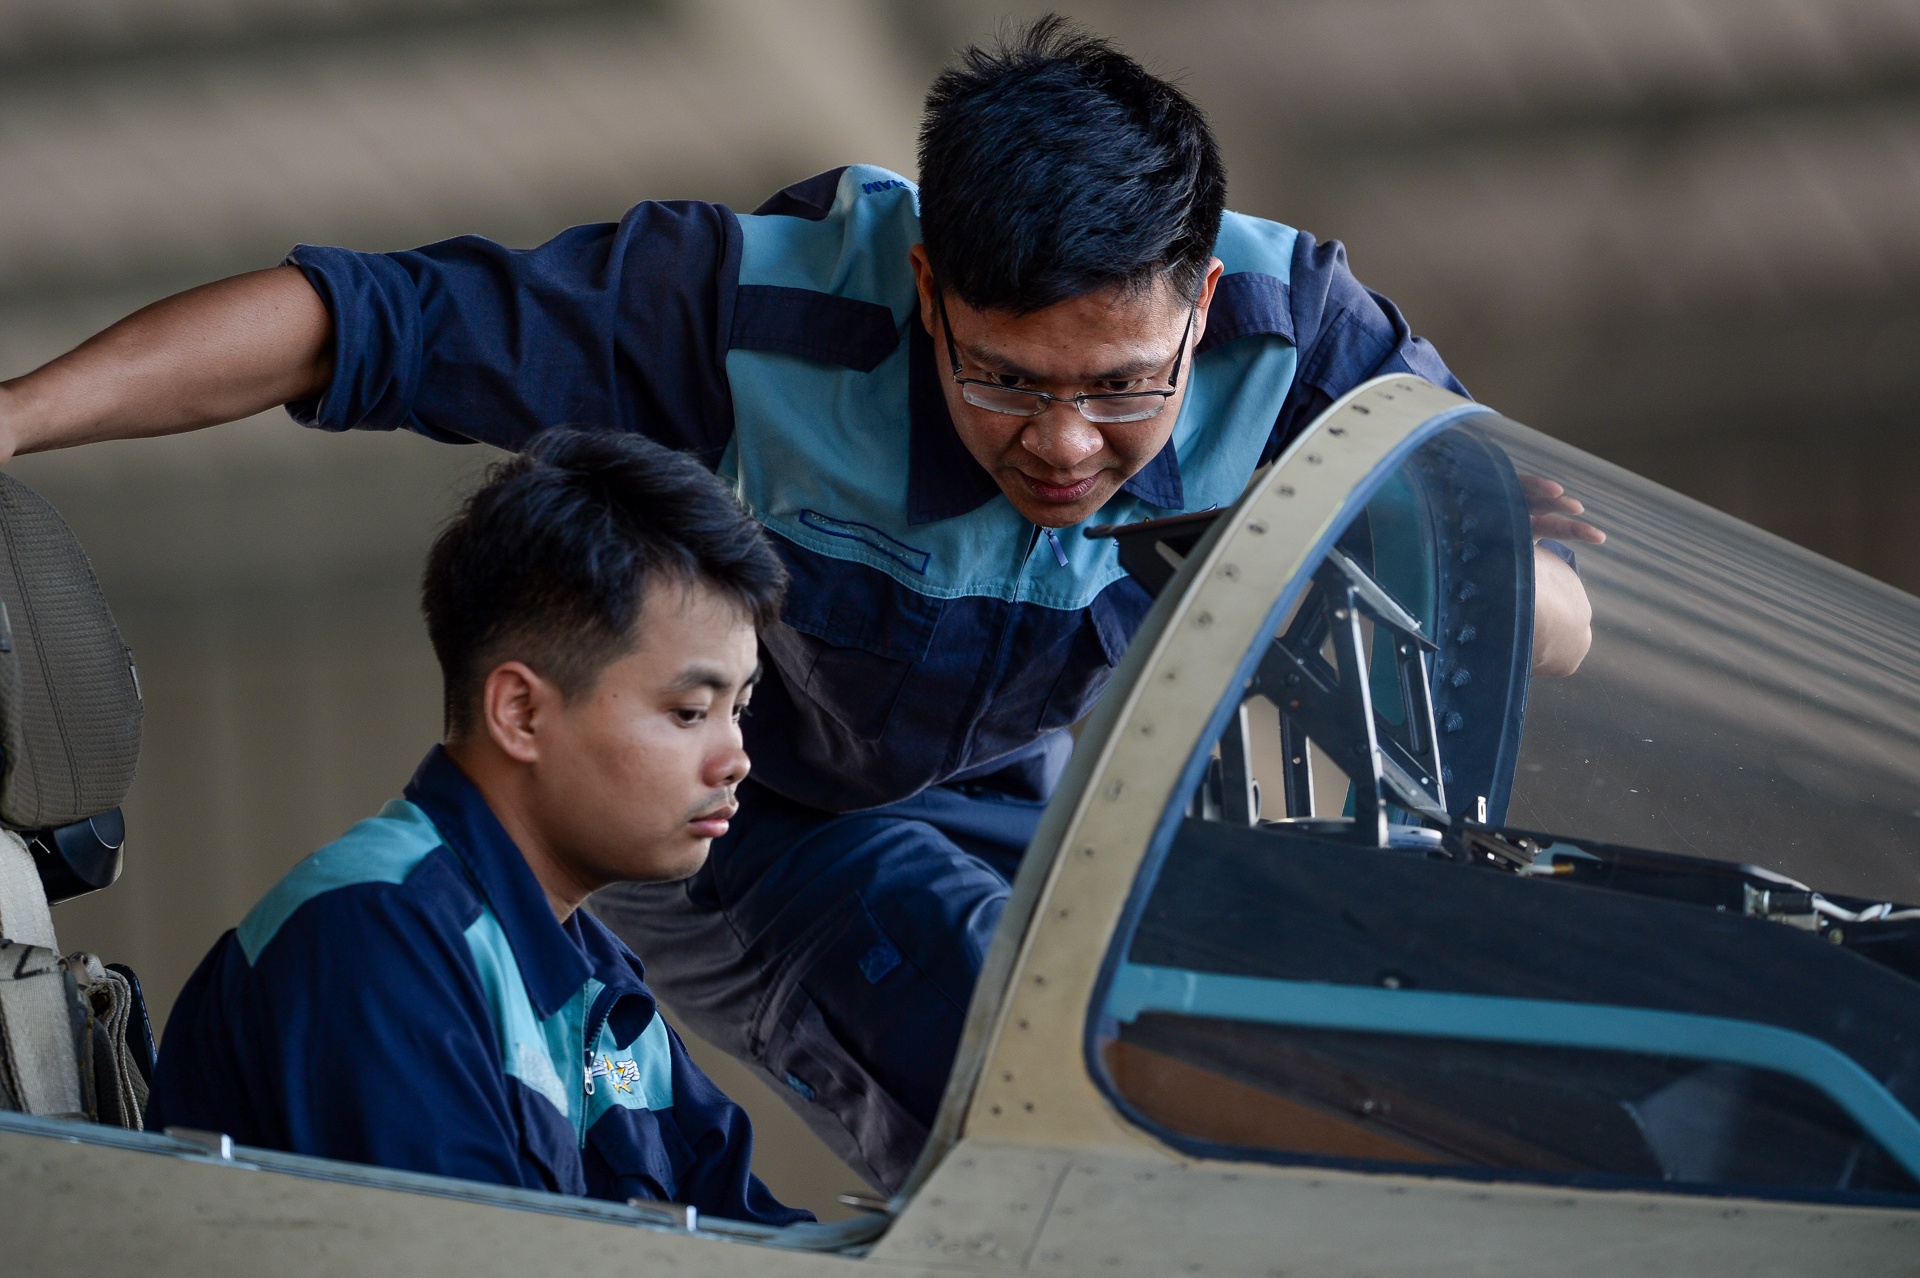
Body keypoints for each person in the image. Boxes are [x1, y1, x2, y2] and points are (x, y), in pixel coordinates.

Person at [3, 19, 1596, 1189]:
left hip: (1033, 810)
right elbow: (359, 322)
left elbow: (1549, 611)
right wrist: (13, 416)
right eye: (1002, 379)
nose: (1062, 444)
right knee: (1044, 1068)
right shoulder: (747, 309)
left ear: (1200, 310)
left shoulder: (1311, 341)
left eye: (1125, 393)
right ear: (922, 292)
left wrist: (1454, 574)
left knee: (1280, 1065)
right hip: (772, 830)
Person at [147, 430, 808, 1224]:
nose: (735, 758)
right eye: (690, 712)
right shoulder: (373, 935)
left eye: (739, 709)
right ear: (521, 712)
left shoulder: (598, 985)